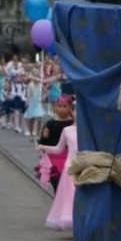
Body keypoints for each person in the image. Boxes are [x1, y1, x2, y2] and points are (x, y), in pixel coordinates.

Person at [41, 100, 79, 231]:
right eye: (76, 110)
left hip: (84, 167)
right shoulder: (67, 130)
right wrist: (43, 146)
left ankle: (80, 223)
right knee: (70, 196)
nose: (78, 113)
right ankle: (72, 221)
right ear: (72, 112)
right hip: (70, 168)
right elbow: (58, 148)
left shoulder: (90, 131)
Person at [37, 95, 75, 193]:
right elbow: (43, 142)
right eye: (59, 106)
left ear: (70, 108)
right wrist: (45, 137)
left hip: (68, 157)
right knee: (56, 183)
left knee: (67, 185)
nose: (62, 109)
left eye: (65, 106)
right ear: (55, 107)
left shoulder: (73, 123)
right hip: (53, 158)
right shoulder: (50, 123)